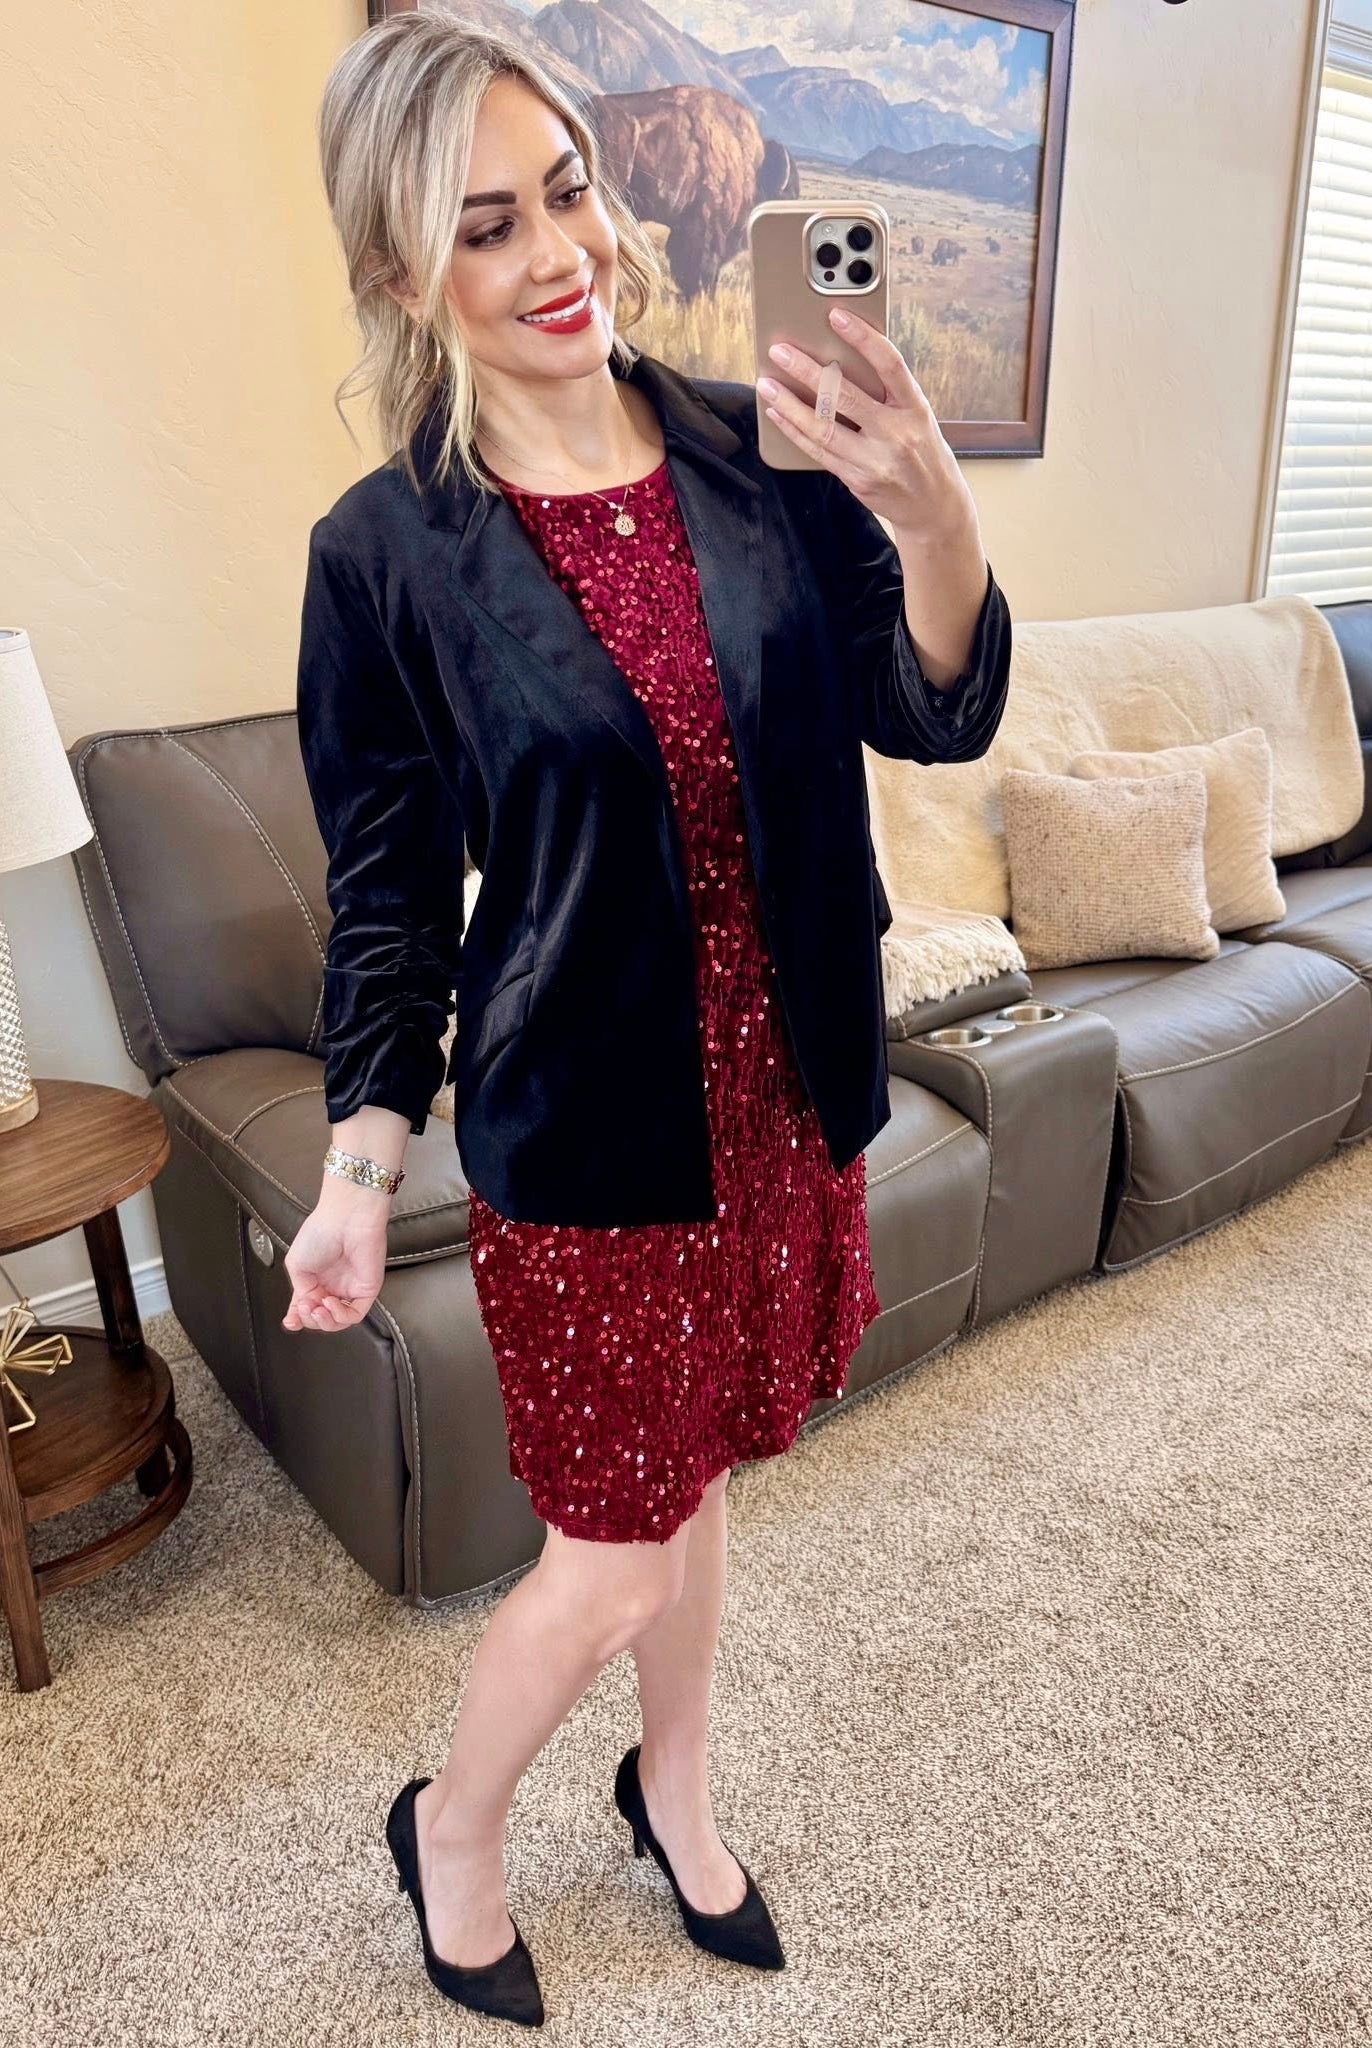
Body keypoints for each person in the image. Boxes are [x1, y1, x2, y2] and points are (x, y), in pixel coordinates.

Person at [282, 10, 1011, 2030]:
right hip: (590, 1140)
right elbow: (385, 909)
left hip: (777, 1103)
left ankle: (671, 1789)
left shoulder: (749, 446)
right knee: (605, 1550)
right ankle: (450, 1824)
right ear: (401, 274)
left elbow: (923, 709)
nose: (560, 253)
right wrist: (360, 1176)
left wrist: (934, 517)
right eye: (487, 225)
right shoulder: (383, 557)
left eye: (569, 191)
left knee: (697, 1489)